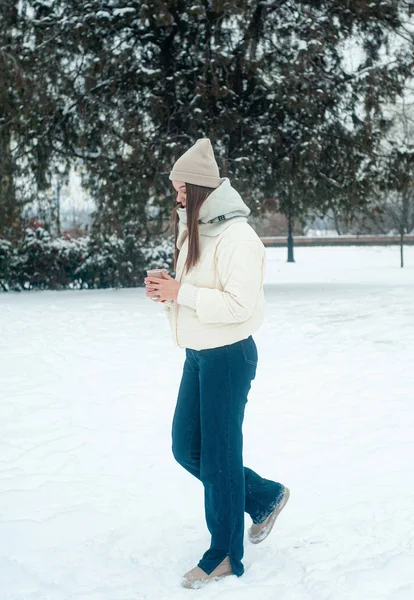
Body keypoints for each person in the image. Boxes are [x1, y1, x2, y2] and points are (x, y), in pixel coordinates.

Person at [144, 138, 289, 589]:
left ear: (202, 188)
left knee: (222, 456)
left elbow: (238, 306)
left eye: (182, 188)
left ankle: (224, 553)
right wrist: (168, 289)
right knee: (187, 447)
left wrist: (179, 293)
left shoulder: (237, 237)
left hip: (229, 357)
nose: (177, 196)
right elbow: (195, 291)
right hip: (199, 355)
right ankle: (263, 495)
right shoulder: (197, 229)